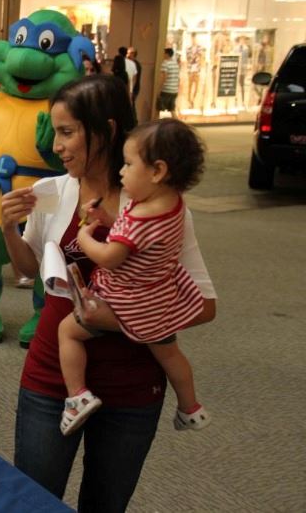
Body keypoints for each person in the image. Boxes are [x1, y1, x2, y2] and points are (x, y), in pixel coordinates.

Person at [1, 74, 216, 511]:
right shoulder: (54, 191)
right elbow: (28, 269)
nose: (56, 146)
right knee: (34, 499)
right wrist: (8, 226)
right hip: (53, 374)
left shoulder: (158, 209)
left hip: (132, 383)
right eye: (54, 132)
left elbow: (205, 307)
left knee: (105, 503)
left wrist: (117, 319)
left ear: (106, 129)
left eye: (67, 132)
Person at [57, 118, 211, 436]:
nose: (122, 172)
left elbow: (111, 257)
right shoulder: (172, 205)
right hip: (161, 297)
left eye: (128, 165)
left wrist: (87, 236)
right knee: (170, 354)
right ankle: (190, 407)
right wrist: (110, 219)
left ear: (157, 171)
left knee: (68, 332)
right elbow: (138, 239)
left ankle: (77, 396)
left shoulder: (139, 215)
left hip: (127, 299)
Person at [157, 48, 180, 119]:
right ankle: (178, 125)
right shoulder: (175, 64)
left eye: (164, 53)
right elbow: (178, 78)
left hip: (166, 90)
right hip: (174, 90)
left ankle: (153, 127)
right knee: (172, 110)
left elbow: (164, 77)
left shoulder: (165, 63)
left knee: (158, 110)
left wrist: (159, 89)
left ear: (167, 54)